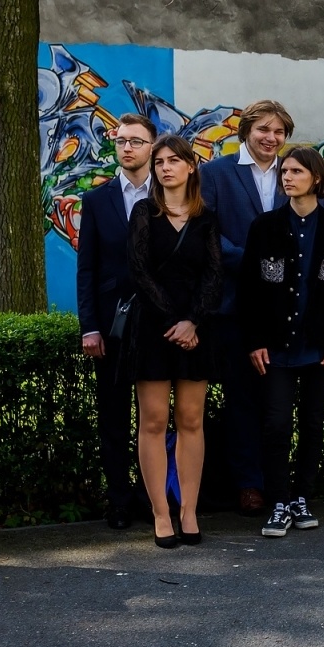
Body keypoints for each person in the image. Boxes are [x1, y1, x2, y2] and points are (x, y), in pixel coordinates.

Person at [238, 146, 324, 538]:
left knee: (312, 422)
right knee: (275, 424)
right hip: (275, 348)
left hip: (319, 348)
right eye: (284, 171)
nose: (287, 177)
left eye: (296, 171)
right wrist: (254, 340)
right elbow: (249, 291)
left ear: (316, 179)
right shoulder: (265, 226)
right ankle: (278, 501)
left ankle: (301, 497)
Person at [127, 134, 222, 547]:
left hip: (195, 331)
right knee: (152, 421)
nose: (165, 167)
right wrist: (173, 321)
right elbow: (139, 271)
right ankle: (161, 513)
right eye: (159, 161)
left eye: (173, 161)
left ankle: (189, 511)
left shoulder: (207, 218)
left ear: (191, 167)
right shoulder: (144, 212)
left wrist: (192, 322)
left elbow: (214, 275)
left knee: (191, 420)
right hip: (153, 328)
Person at [199, 99, 289, 516]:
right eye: (263, 130)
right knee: (242, 399)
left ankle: (282, 483)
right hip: (235, 304)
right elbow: (208, 234)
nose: (271, 138)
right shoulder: (216, 173)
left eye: (279, 132)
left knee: (280, 400)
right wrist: (257, 263)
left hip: (287, 305)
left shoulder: (295, 172)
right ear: (246, 131)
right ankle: (248, 484)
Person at [76, 113, 155, 530]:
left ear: (152, 148)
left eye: (136, 141)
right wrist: (89, 326)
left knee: (155, 416)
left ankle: (152, 496)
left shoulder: (170, 195)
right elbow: (86, 268)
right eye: (121, 141)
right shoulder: (97, 199)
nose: (127, 148)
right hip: (111, 326)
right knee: (113, 416)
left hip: (159, 324)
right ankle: (119, 499)